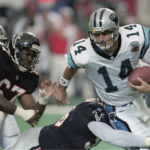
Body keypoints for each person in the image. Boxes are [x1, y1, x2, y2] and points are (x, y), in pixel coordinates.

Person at [54, 8, 150, 150]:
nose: (100, 39)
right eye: (97, 34)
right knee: (143, 146)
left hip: (139, 100)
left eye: (105, 33)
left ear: (116, 30)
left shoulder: (135, 36)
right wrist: (62, 87)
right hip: (117, 109)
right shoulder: (84, 51)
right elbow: (72, 66)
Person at [5, 98, 150, 150]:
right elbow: (110, 136)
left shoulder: (103, 111)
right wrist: (146, 141)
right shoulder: (95, 111)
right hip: (39, 143)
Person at [0, 31, 51, 149]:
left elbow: (32, 116)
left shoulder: (29, 77)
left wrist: (43, 100)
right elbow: (24, 113)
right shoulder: (2, 58)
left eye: (32, 55)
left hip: (5, 114)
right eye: (26, 54)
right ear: (15, 50)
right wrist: (21, 112)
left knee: (18, 145)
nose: (29, 59)